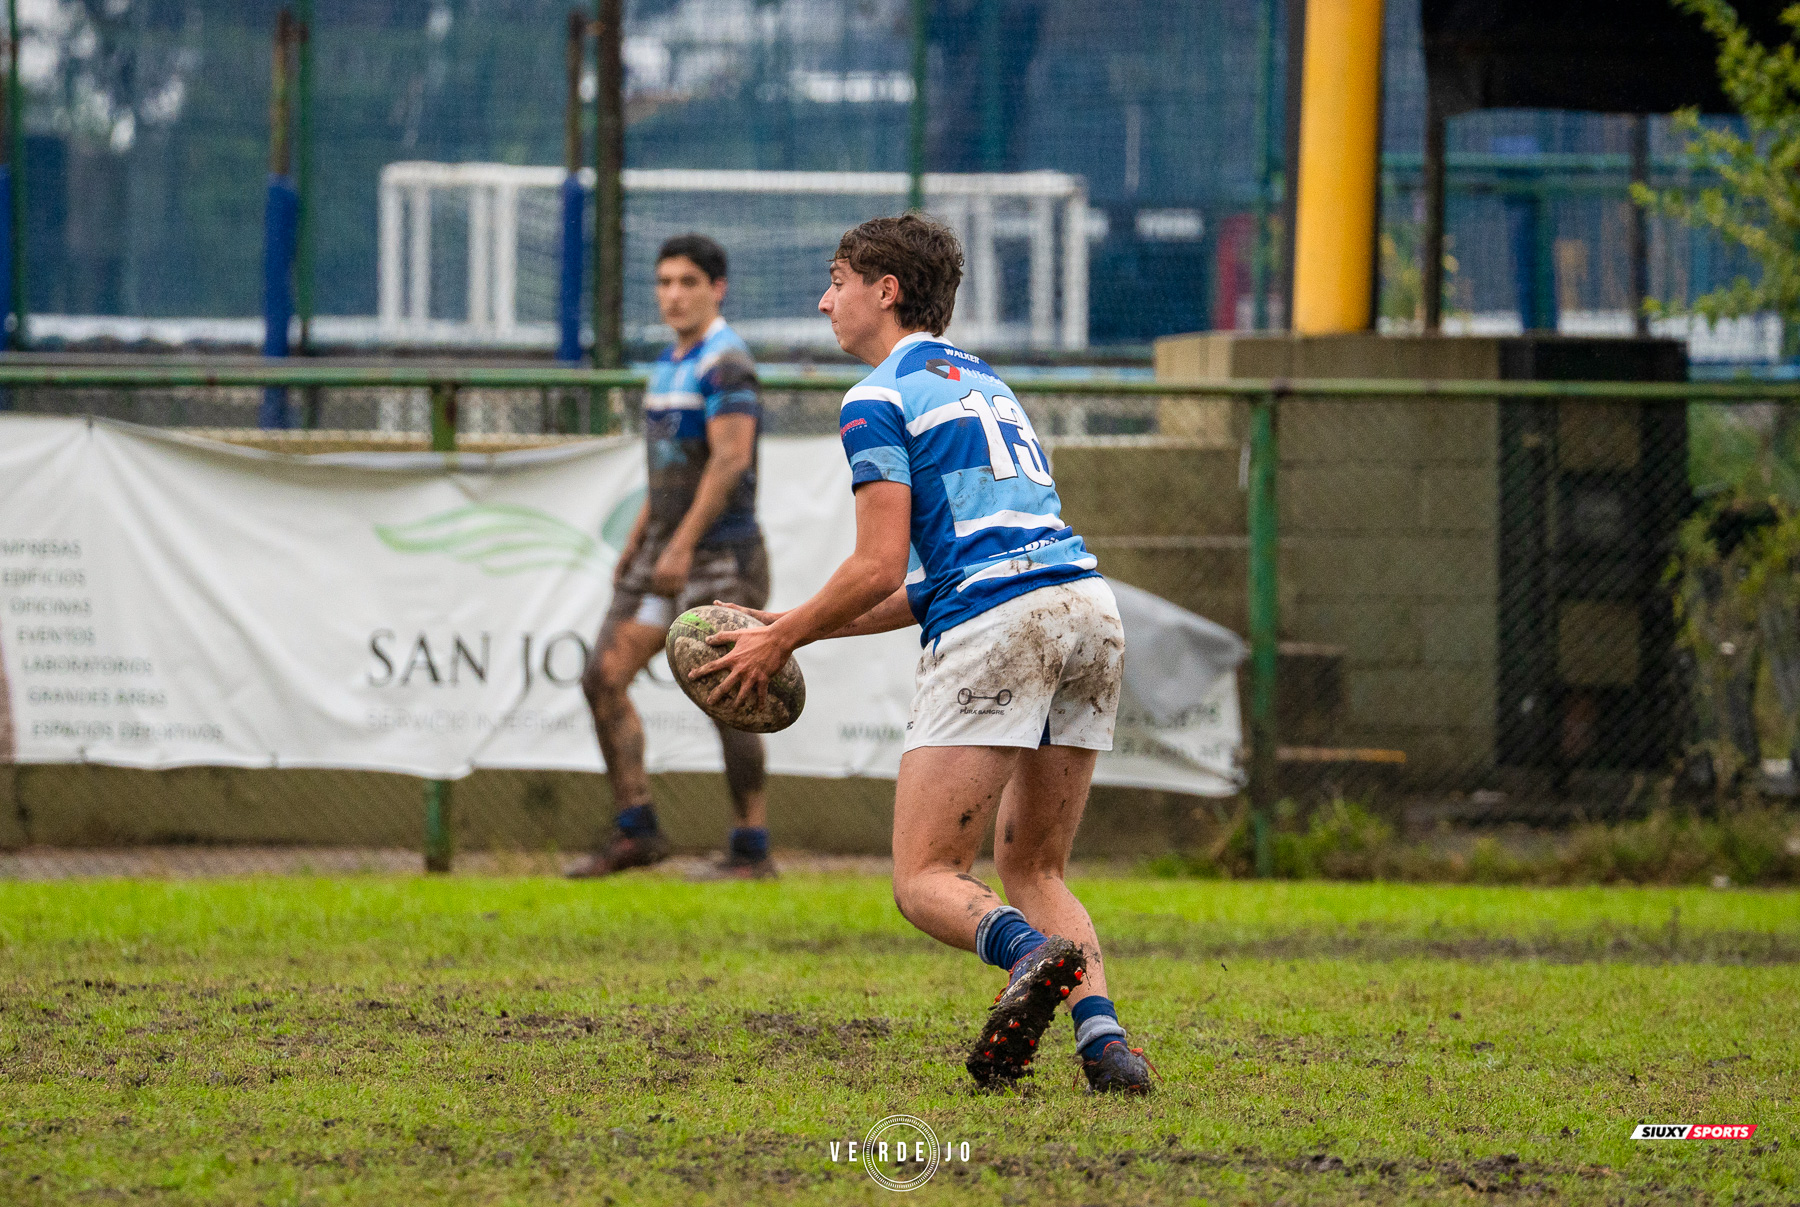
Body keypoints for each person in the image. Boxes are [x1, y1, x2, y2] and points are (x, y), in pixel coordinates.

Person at [692, 214, 1152, 1093]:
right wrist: (790, 622)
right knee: (1036, 866)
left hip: (1004, 619)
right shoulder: (985, 381)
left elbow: (874, 563)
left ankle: (1030, 953)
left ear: (886, 289)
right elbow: (925, 581)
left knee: (926, 877)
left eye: (836, 279)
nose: (825, 300)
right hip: (1087, 607)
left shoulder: (876, 395)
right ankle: (1107, 1047)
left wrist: (777, 640)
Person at [568, 234, 775, 881]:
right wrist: (639, 540)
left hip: (721, 555)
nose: (673, 294)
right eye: (663, 282)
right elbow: (664, 473)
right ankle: (637, 829)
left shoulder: (726, 363)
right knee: (603, 676)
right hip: (663, 549)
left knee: (731, 694)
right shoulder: (667, 364)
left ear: (718, 288)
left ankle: (751, 845)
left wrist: (682, 543)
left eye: (687, 281)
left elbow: (731, 459)